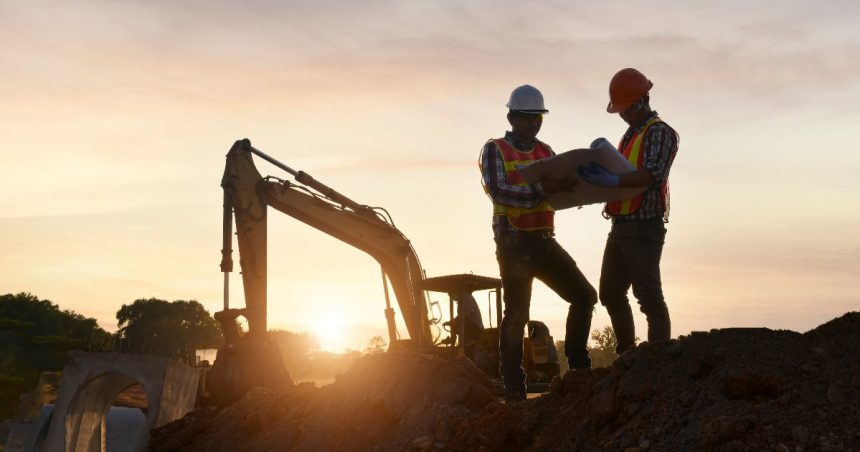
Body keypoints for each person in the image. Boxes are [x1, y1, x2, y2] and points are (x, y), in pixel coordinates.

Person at [480, 84, 597, 403]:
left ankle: (578, 370)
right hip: (513, 242)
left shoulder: (547, 152)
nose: (533, 123)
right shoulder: (495, 149)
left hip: (544, 241)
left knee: (584, 297)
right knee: (517, 315)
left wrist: (581, 190)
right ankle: (514, 384)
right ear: (512, 117)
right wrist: (541, 192)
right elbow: (499, 191)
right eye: (527, 118)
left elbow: (559, 193)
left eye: (538, 118)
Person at [577, 68, 680, 354]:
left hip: (644, 226)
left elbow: (651, 174)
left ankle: (658, 362)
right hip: (621, 225)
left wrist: (613, 180)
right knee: (610, 293)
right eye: (620, 110)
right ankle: (627, 355)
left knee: (648, 297)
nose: (622, 115)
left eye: (626, 109)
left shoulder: (659, 132)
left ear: (642, 100)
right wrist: (595, 184)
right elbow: (625, 176)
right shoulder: (631, 134)